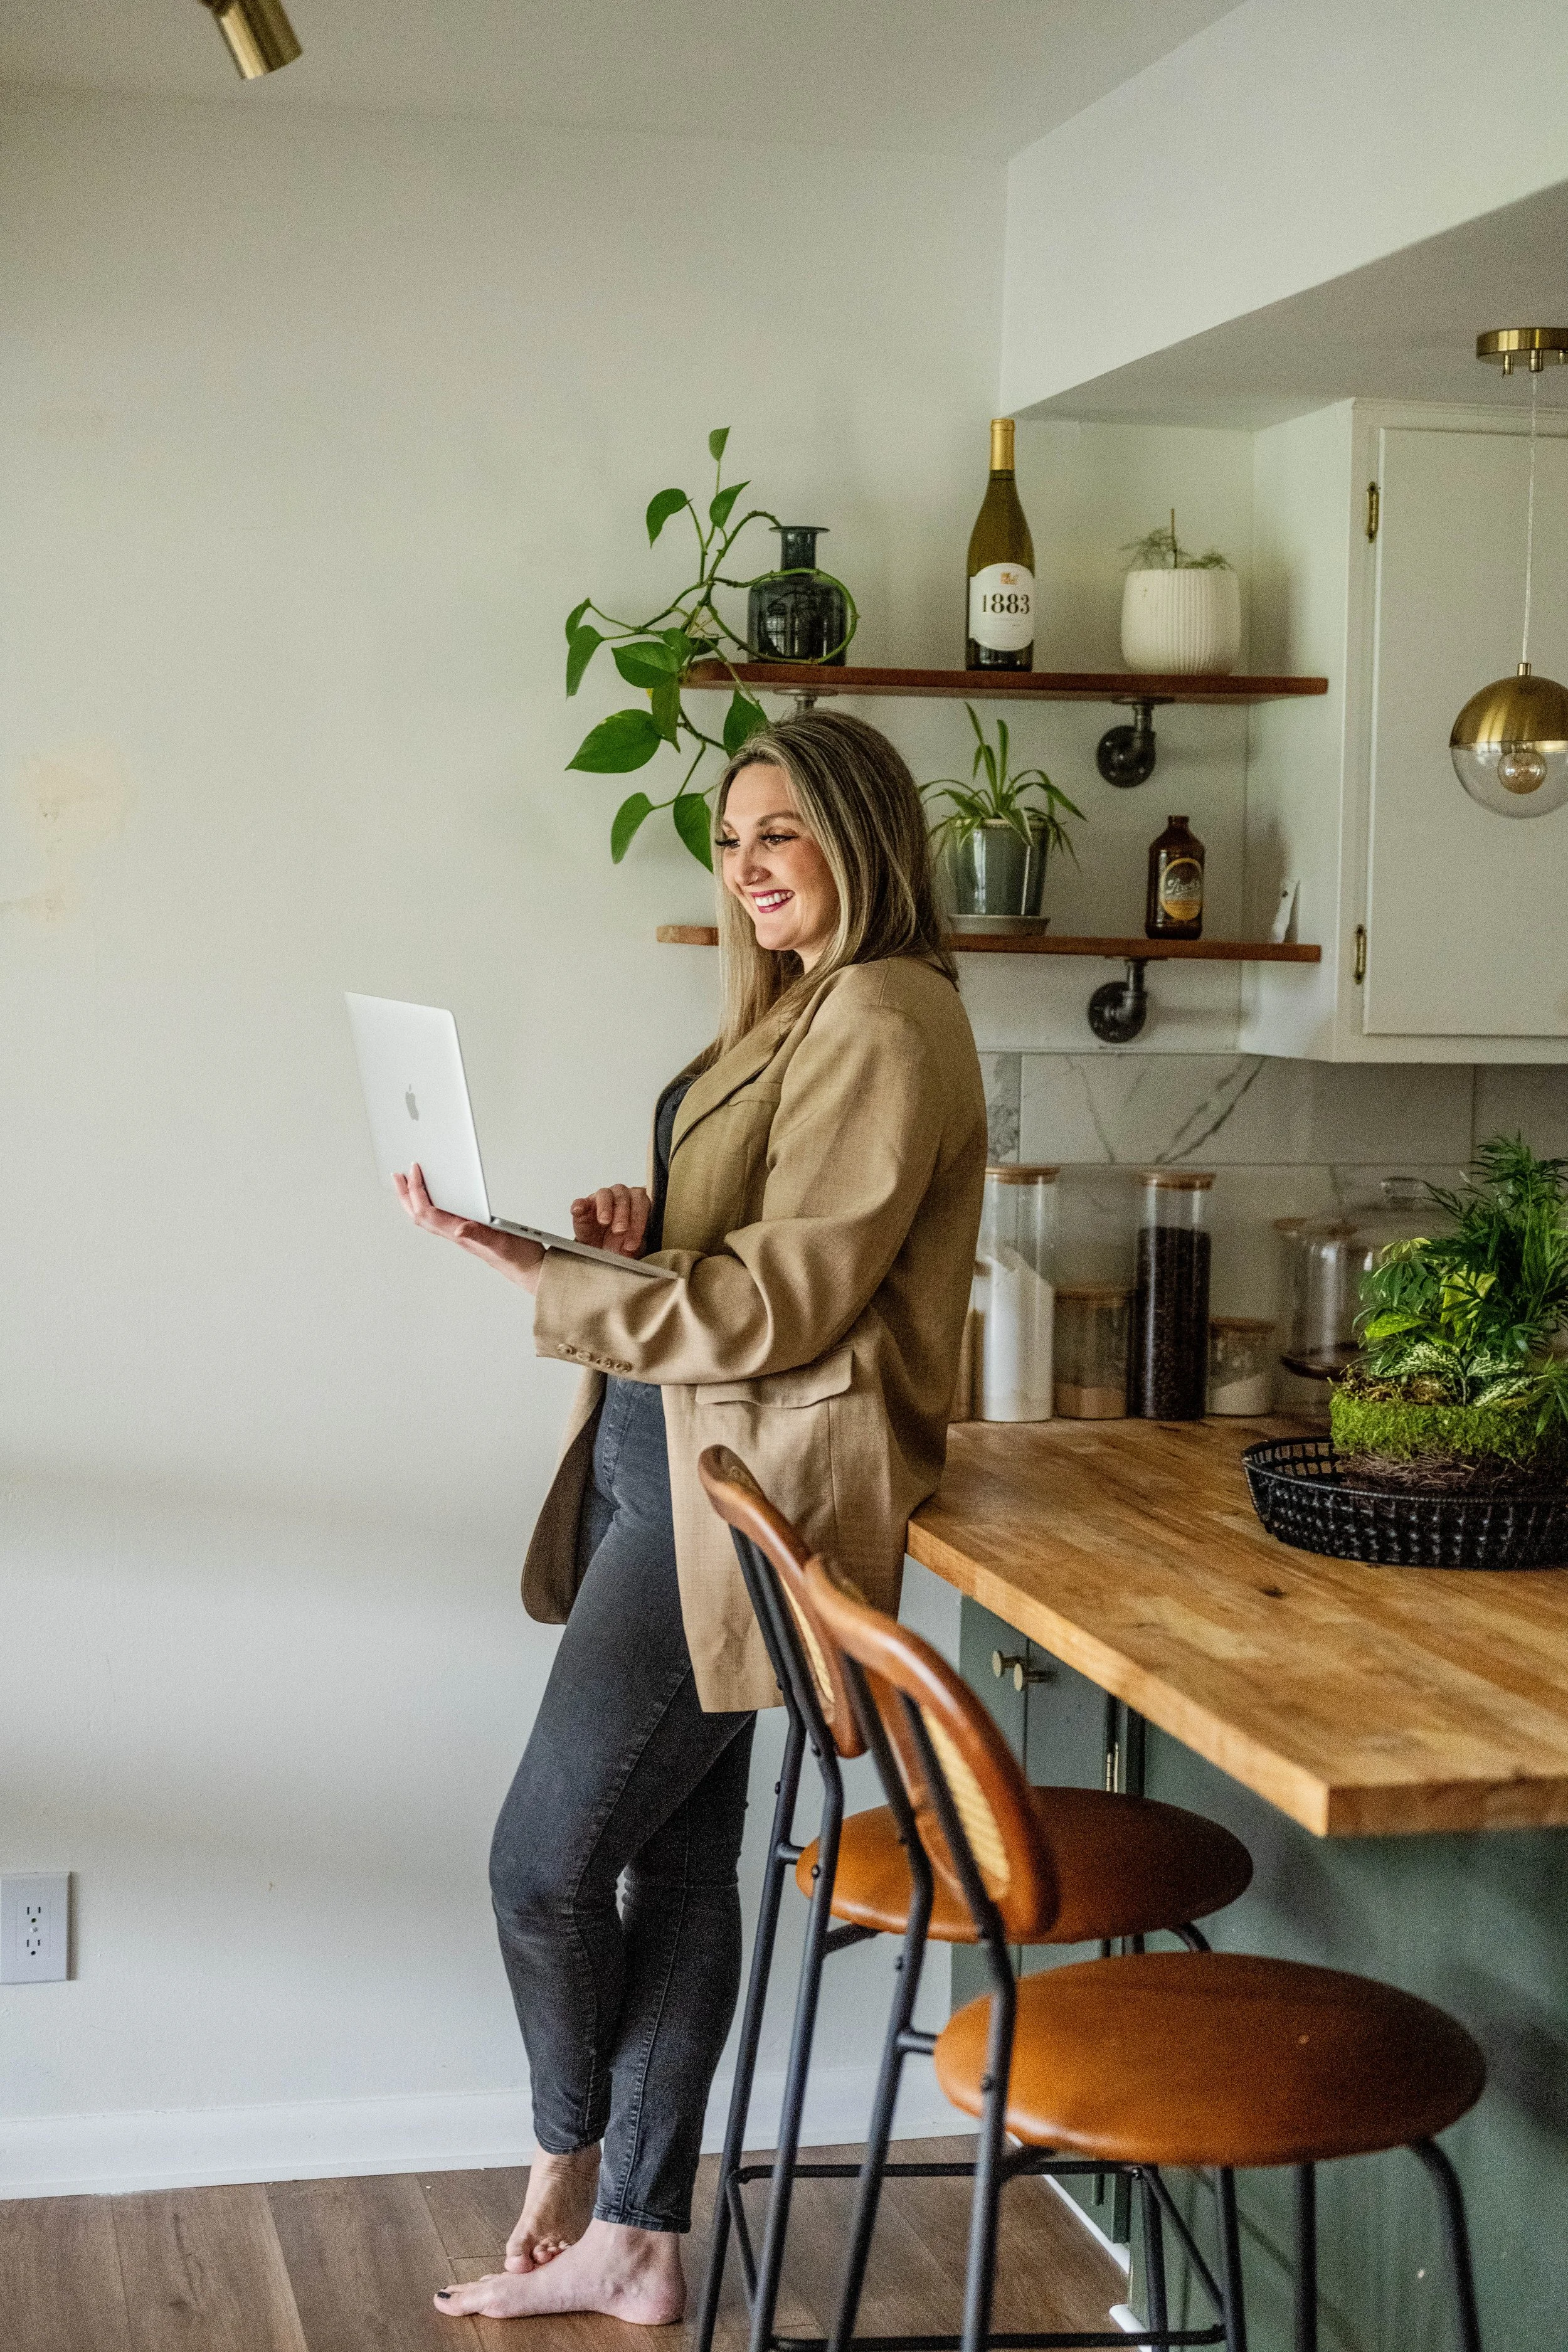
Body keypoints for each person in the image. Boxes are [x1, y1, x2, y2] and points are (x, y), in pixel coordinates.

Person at [396, 711, 987, 2325]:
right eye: (729, 843)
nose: (747, 871)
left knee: (542, 1862)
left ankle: (570, 2163)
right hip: (677, 1462)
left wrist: (556, 1279)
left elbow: (795, 1300)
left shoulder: (880, 1014)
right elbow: (769, 1238)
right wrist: (647, 1229)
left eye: (777, 835)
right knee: (671, 1857)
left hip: (742, 1498)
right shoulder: (803, 1009)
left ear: (856, 836)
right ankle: (644, 2245)